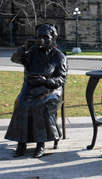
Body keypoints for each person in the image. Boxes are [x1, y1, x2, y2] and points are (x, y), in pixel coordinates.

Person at [5, 24, 68, 158]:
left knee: (39, 105)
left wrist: (45, 81)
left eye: (46, 36)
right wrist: (24, 49)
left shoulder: (59, 56)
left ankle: (41, 143)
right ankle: (21, 143)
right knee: (21, 102)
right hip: (31, 88)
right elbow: (14, 59)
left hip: (51, 90)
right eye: (39, 36)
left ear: (53, 38)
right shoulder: (32, 52)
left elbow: (61, 80)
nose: (42, 39)